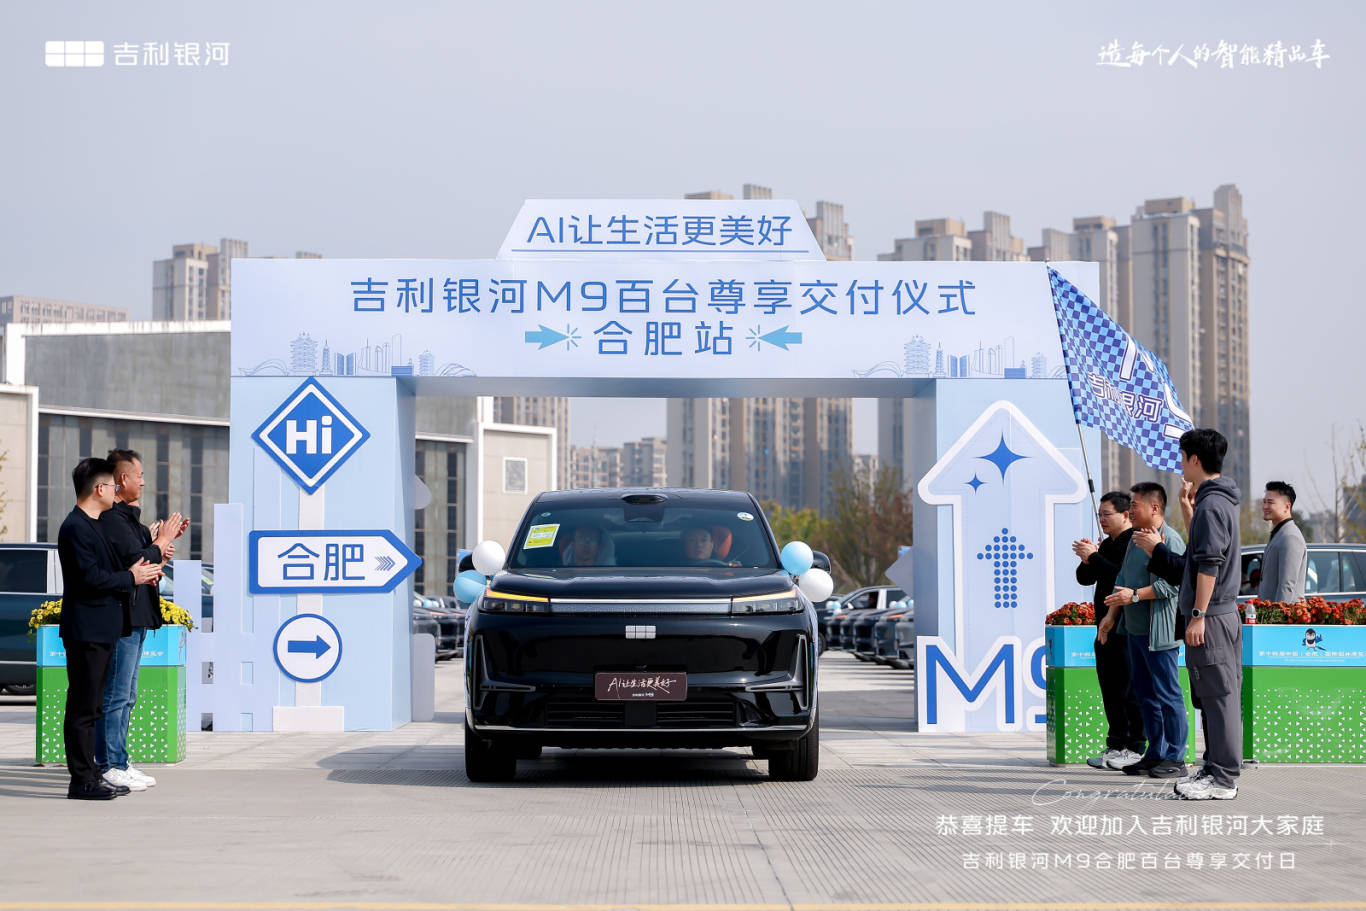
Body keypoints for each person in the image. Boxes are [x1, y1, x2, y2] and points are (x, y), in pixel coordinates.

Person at [57, 458, 161, 800]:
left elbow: (118, 566)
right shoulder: (75, 527)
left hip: (103, 629)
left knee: (94, 707)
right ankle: (82, 780)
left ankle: (93, 775)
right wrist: (131, 577)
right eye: (113, 487)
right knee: (83, 709)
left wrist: (150, 554)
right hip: (86, 630)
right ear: (99, 489)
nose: (117, 493)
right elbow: (89, 579)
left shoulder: (95, 525)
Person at [96, 449, 186, 793]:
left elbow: (145, 560)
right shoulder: (112, 519)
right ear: (123, 479)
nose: (143, 482)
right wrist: (159, 542)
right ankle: (109, 764)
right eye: (140, 476)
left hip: (138, 614)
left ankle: (119, 760)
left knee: (128, 694)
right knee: (116, 695)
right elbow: (134, 562)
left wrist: (161, 545)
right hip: (122, 617)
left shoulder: (129, 520)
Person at [1170, 428, 1244, 800]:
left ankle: (1224, 778)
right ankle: (1214, 768)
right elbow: (1202, 548)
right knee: (1213, 696)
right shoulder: (1216, 501)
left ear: (1195, 459)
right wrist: (1188, 508)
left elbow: (1209, 564)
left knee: (1219, 697)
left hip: (1211, 616)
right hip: (1218, 614)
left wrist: (1198, 614)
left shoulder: (1213, 505)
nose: (1180, 464)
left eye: (1183, 457)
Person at [1100, 482, 1188, 780]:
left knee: (1168, 695)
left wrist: (1135, 596)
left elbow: (1171, 586)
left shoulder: (1169, 540)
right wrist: (1111, 616)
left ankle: (1176, 756)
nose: (1131, 510)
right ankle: (1155, 753)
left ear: (1155, 507)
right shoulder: (1136, 539)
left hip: (1159, 633)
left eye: (1135, 505)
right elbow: (1123, 579)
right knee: (1145, 695)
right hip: (1135, 632)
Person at [1072, 491, 1146, 770]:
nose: (1102, 519)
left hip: (1126, 627)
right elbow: (1085, 578)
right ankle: (1116, 744)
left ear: (1125, 515)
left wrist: (1095, 557)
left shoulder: (1133, 542)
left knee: (1129, 689)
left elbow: (1119, 576)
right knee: (1110, 689)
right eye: (1099, 515)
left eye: (1107, 514)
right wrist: (1088, 558)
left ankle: (1135, 746)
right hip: (1104, 628)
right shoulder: (1108, 544)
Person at [1258, 481, 1307, 603]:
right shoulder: (1280, 533)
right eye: (1264, 502)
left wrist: (1277, 614)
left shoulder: (1290, 536)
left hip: (1282, 613)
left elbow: (1287, 586)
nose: (1265, 506)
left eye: (1270, 502)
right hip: (1270, 611)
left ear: (1287, 507)